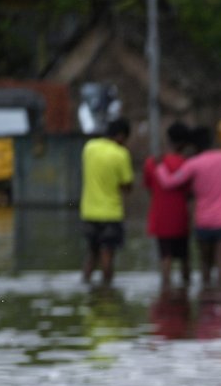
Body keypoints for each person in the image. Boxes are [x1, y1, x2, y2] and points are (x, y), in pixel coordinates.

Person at [154, 126, 221, 290]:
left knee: (205, 265)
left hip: (204, 222)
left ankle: (206, 302)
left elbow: (169, 182)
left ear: (196, 146)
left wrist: (159, 166)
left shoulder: (194, 164)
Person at [79, 117, 134, 287]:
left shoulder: (89, 148)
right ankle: (107, 292)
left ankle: (85, 283)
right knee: (107, 255)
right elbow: (127, 186)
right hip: (110, 213)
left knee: (91, 254)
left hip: (88, 212)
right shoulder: (121, 154)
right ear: (120, 136)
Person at [143, 121, 193, 290]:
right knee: (185, 257)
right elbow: (190, 193)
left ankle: (165, 290)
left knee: (165, 256)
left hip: (160, 218)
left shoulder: (152, 163)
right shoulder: (187, 164)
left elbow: (149, 188)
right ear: (185, 143)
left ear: (168, 139)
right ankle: (185, 291)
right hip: (181, 219)